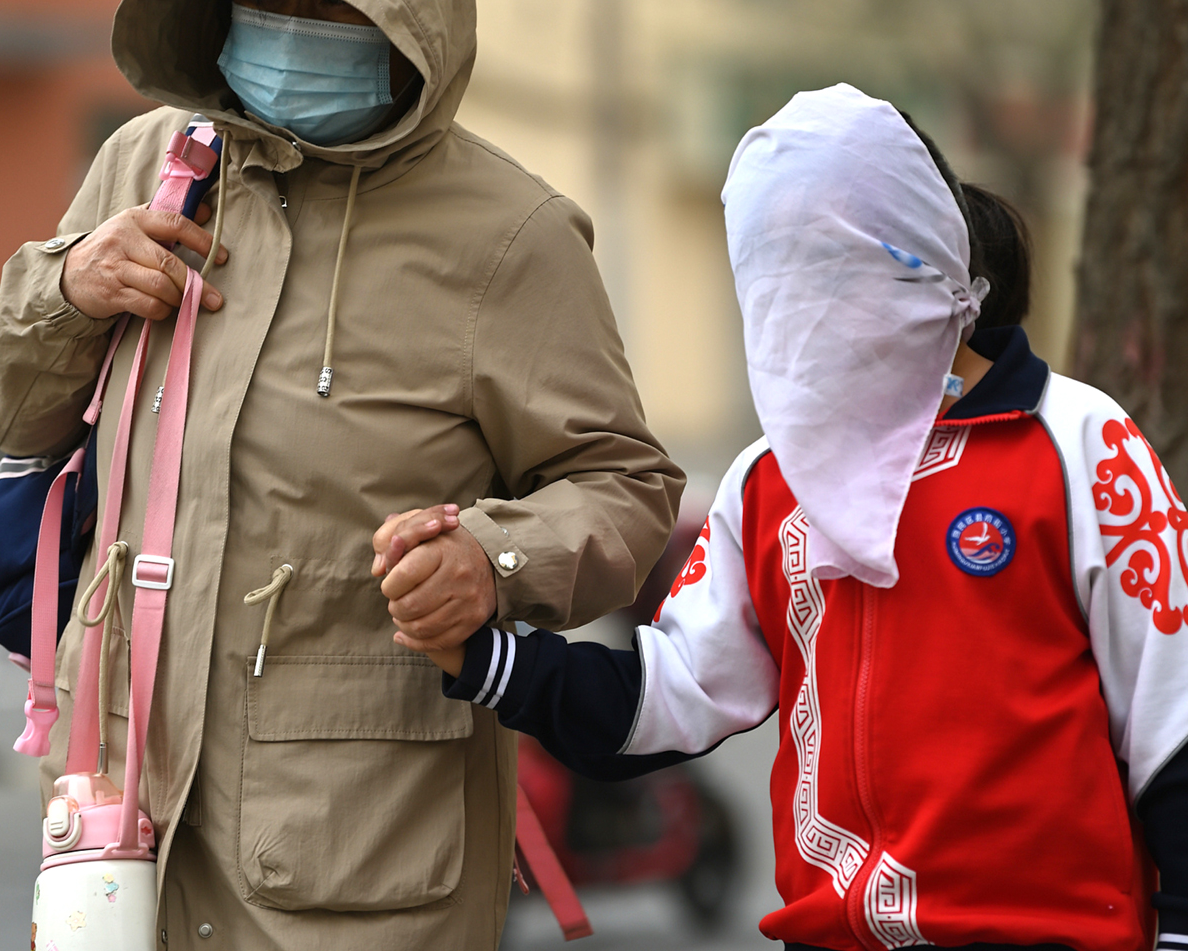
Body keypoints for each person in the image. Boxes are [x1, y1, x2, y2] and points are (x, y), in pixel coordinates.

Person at [0, 0, 684, 949]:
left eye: (337, 8)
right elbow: (12, 418)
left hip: (361, 860)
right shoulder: (149, 163)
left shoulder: (513, 238)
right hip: (121, 827)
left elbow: (624, 483)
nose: (297, 32)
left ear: (413, 25)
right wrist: (66, 292)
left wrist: (495, 560)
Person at [420, 84, 1188, 951]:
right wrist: (480, 652)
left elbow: (1175, 723)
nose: (799, 300)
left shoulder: (1080, 443)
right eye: (773, 266)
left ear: (917, 247)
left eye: (827, 259)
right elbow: (670, 695)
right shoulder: (767, 481)